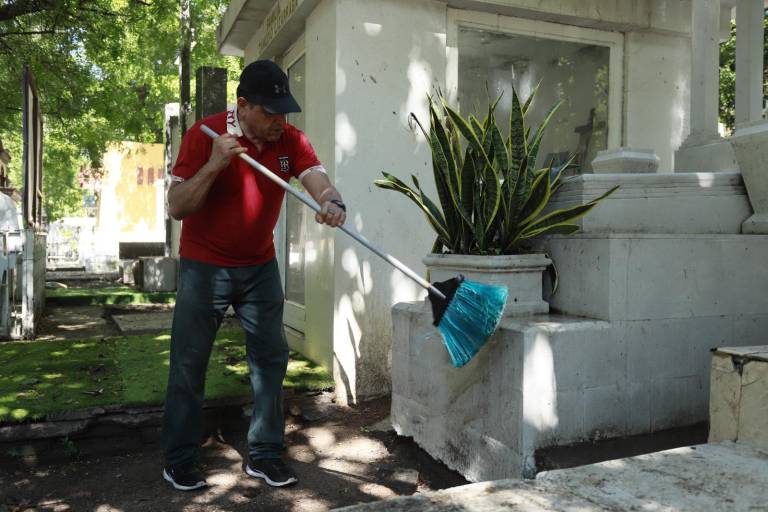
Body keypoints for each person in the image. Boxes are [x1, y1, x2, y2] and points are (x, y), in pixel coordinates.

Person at [161, 60, 346, 491]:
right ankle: (180, 457)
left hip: (259, 265)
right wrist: (214, 165)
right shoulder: (204, 134)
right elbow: (177, 206)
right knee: (189, 362)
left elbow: (316, 177)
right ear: (243, 107)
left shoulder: (289, 139)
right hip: (204, 267)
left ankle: (263, 454)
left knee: (270, 360)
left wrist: (332, 201)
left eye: (285, 112)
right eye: (271, 113)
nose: (280, 122)